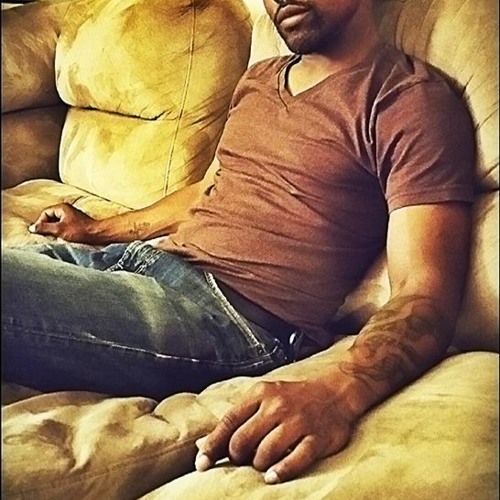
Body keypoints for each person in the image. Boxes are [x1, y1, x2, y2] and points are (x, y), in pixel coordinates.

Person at [2, 0, 475, 486]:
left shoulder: (408, 101)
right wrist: (96, 230)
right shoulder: (259, 78)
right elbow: (208, 189)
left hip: (230, 318)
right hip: (143, 263)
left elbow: (425, 292)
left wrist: (338, 393)